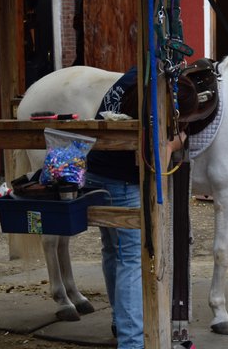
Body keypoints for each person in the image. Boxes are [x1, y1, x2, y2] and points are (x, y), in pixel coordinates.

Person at [86, 67, 186, 348]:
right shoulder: (155, 86)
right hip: (122, 179)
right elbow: (157, 159)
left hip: (96, 169)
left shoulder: (130, 77)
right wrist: (178, 141)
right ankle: (131, 341)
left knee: (111, 249)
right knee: (130, 258)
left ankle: (121, 323)